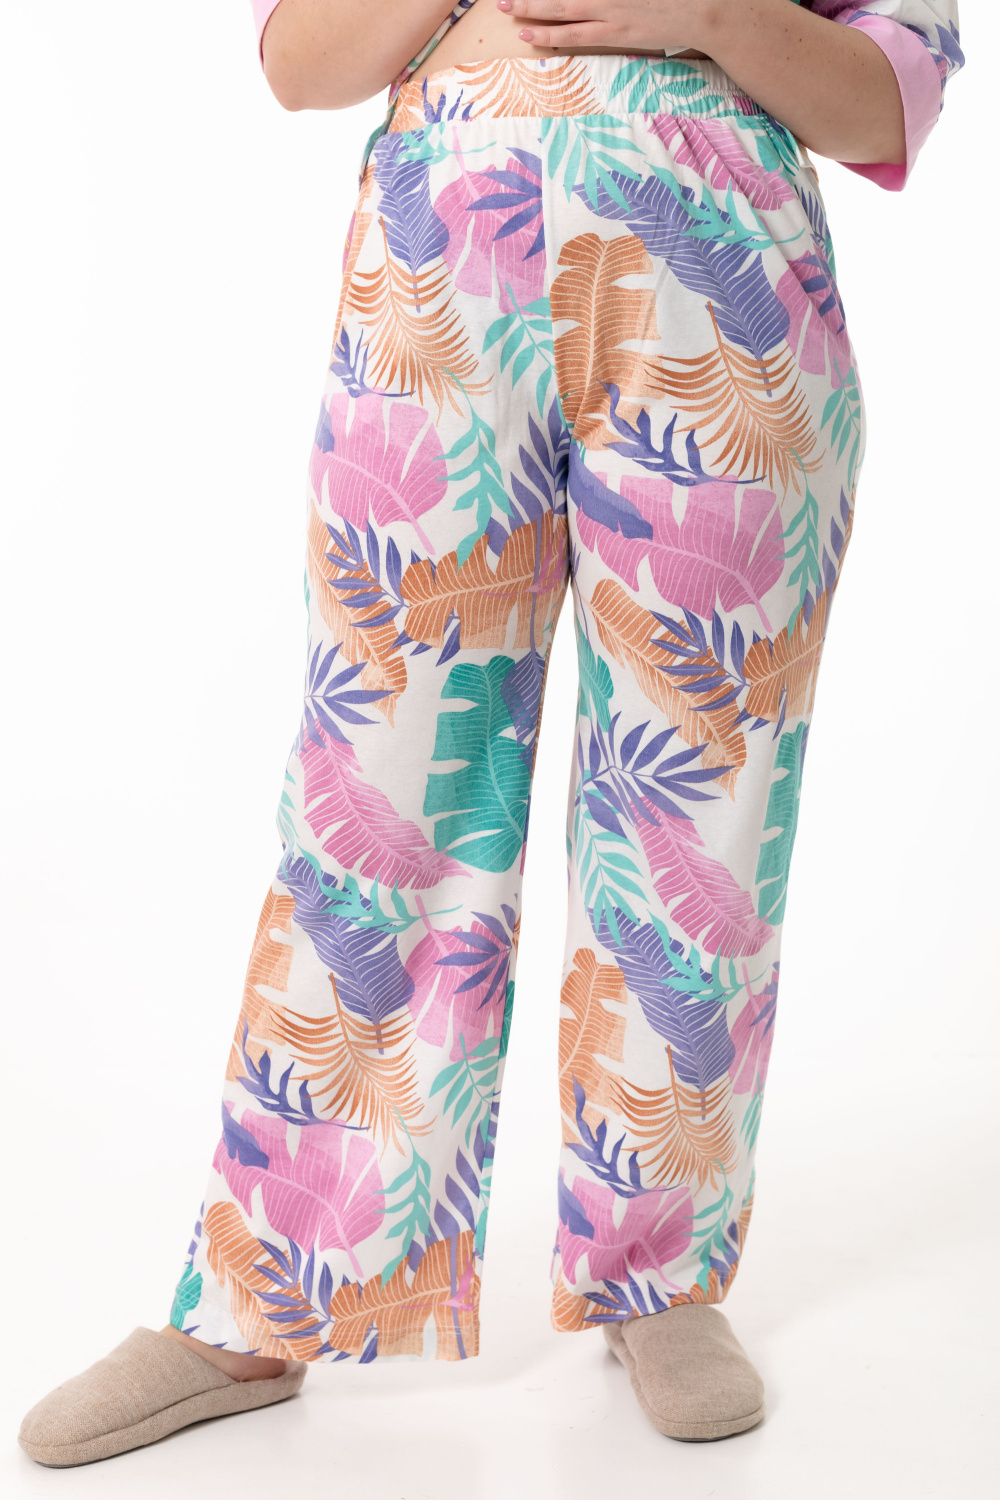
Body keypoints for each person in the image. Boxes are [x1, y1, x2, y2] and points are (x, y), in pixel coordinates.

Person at [19, 0, 963, 1468]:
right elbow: (298, 68)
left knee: (701, 799)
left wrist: (704, 12)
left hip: (719, 303)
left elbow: (887, 103)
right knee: (379, 785)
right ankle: (270, 1296)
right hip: (444, 284)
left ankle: (659, 1276)